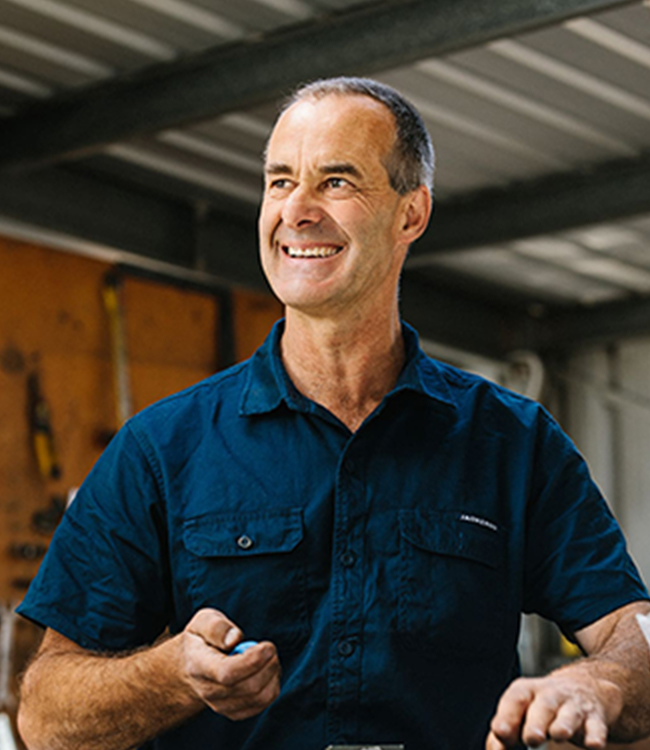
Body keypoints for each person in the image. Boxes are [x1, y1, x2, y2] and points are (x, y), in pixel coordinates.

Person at [16, 77, 650, 750]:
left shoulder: (514, 443)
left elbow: (631, 635)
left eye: (336, 182)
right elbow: (44, 716)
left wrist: (598, 684)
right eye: (280, 181)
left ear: (411, 214)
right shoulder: (161, 449)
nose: (298, 211)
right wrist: (173, 674)